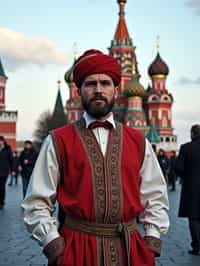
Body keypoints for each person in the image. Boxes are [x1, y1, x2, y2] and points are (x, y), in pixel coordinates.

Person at [22, 49, 169, 266]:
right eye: (90, 84)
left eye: (105, 83)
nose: (98, 90)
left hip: (129, 251)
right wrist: (55, 246)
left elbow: (155, 194)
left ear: (116, 89)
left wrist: (151, 239)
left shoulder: (137, 141)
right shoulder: (58, 140)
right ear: (79, 90)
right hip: (76, 249)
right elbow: (36, 201)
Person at [175, 124, 200, 255]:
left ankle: (197, 246)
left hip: (191, 188)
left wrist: (187, 177)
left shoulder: (186, 148)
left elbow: (178, 168)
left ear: (192, 134)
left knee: (194, 218)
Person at [0, 136, 13, 209]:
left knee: (2, 187)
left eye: (1, 141)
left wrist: (12, 170)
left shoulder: (8, 149)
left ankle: (2, 202)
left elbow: (11, 160)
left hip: (4, 172)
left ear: (3, 141)